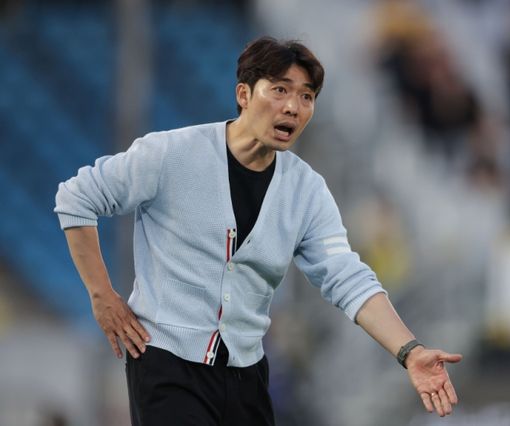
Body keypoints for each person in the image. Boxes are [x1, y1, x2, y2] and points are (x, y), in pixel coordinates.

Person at [54, 36, 462, 425]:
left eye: (306, 96)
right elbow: (77, 198)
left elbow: (347, 277)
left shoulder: (306, 190)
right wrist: (102, 296)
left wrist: (409, 351)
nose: (293, 107)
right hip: (167, 365)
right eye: (280, 90)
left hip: (246, 374)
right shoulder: (171, 154)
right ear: (244, 94)